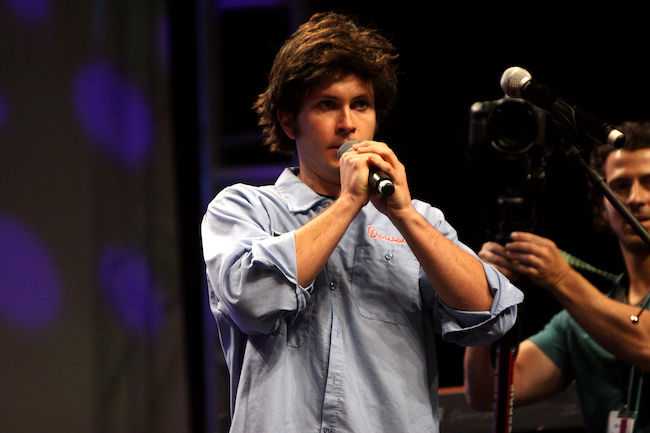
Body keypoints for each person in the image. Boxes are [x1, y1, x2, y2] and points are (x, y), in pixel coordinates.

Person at [201, 12, 523, 433]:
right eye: (326, 105)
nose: (347, 124)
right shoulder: (243, 208)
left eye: (361, 105)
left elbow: (490, 316)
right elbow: (253, 297)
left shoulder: (418, 221)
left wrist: (404, 215)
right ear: (287, 120)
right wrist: (350, 201)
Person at [464, 121, 650, 433]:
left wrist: (561, 278)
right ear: (603, 207)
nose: (635, 198)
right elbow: (486, 394)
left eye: (649, 182)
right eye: (619, 187)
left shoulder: (582, 304)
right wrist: (485, 297)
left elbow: (645, 344)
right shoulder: (579, 322)